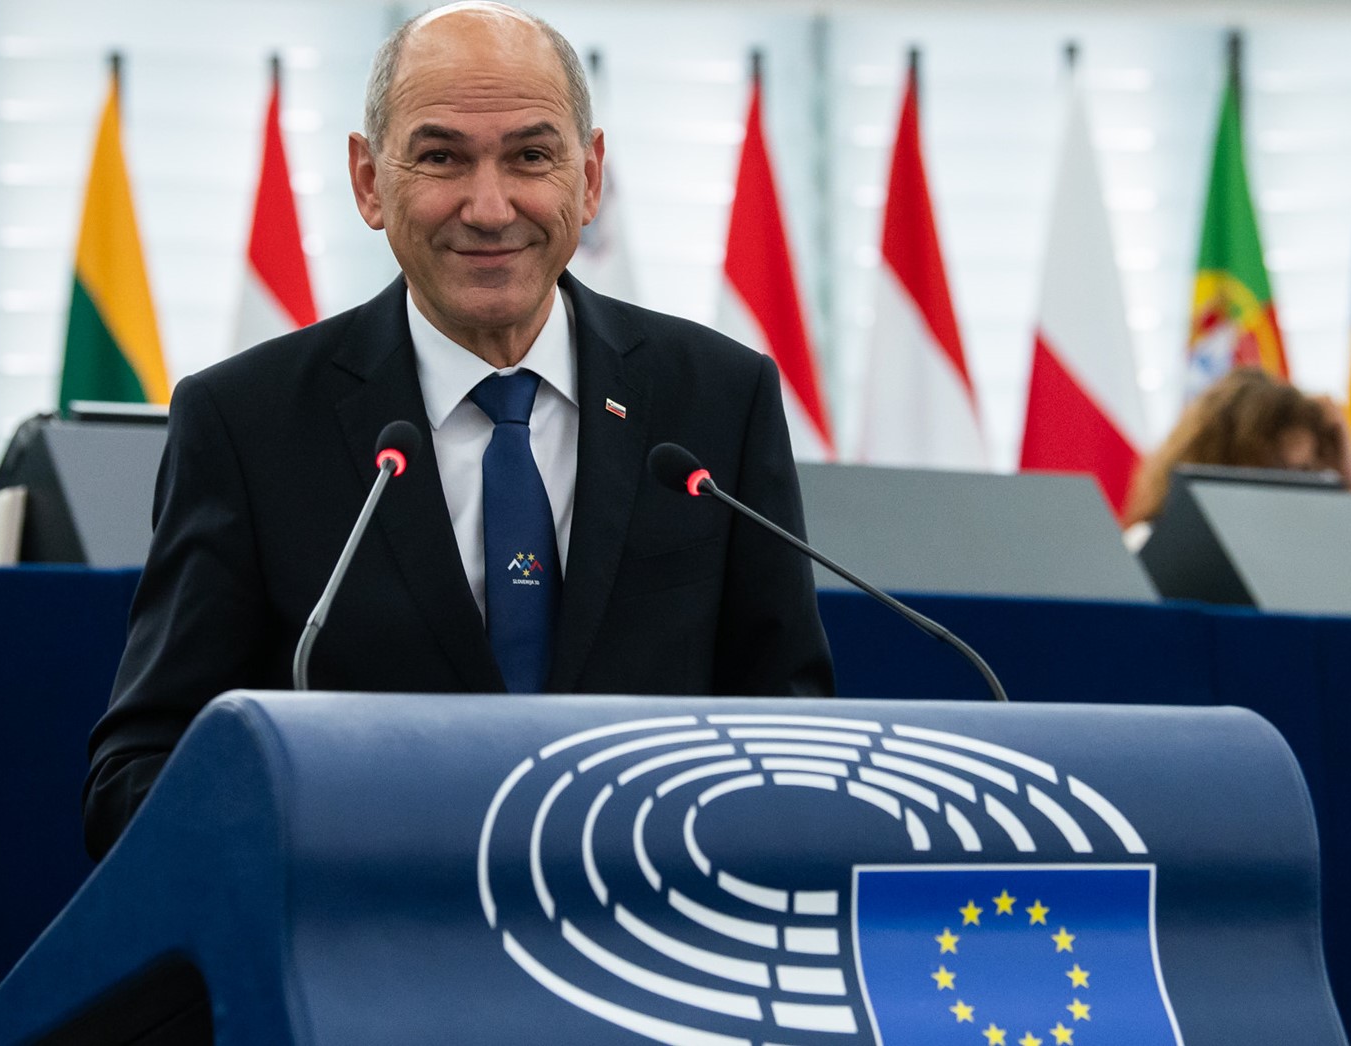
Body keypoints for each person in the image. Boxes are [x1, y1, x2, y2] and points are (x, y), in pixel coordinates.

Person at [82, 2, 834, 861]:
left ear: (589, 178)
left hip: (651, 949)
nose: (488, 206)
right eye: (441, 157)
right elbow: (137, 775)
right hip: (367, 953)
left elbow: (793, 734)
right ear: (370, 181)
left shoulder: (716, 402)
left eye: (531, 157)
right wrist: (313, 834)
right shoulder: (246, 424)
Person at [1122, 366, 1351, 542]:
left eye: (1304, 473)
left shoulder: (1312, 553)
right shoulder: (1147, 544)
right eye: (1274, 472)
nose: (1291, 494)